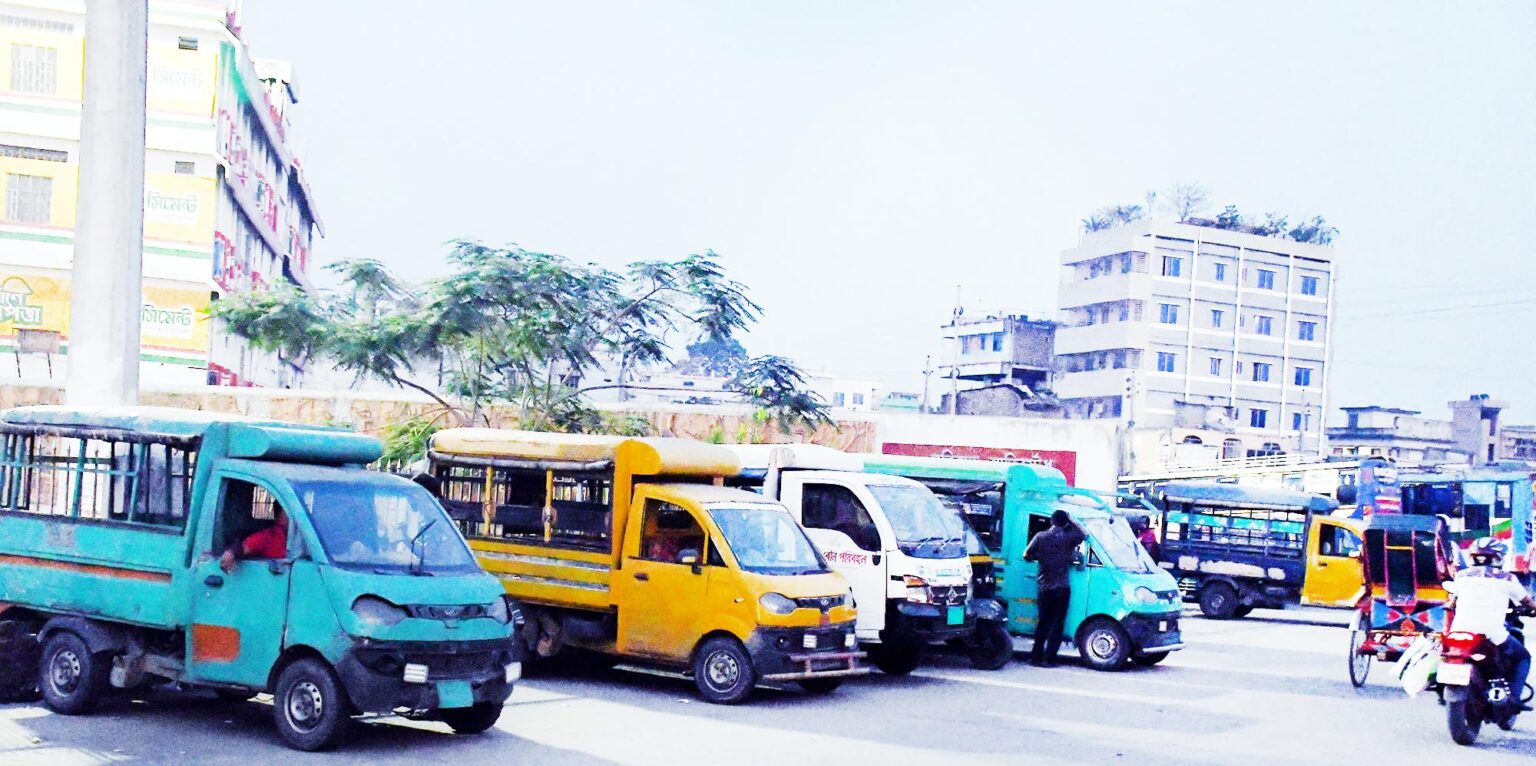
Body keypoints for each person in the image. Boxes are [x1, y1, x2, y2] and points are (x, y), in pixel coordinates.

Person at [1445, 537, 1535, 716]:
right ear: (1499, 557)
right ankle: (1514, 699)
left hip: (1460, 632)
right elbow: (1527, 602)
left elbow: (1450, 603)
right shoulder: (1507, 578)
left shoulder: (1461, 576)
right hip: (1492, 634)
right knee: (1523, 657)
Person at [1024, 509, 1087, 668]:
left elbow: (1026, 555)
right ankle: (1049, 659)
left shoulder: (1040, 536)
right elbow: (1084, 534)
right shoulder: (1068, 538)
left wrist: (1039, 558)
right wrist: (1071, 520)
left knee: (1043, 623)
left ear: (1051, 521)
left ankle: (1035, 658)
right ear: (1065, 523)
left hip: (1044, 586)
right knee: (1057, 624)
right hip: (1062, 587)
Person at [220, 506, 288, 573]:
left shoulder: (296, 537)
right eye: (286, 514)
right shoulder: (270, 535)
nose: (290, 519)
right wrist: (231, 553)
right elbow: (244, 547)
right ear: (277, 518)